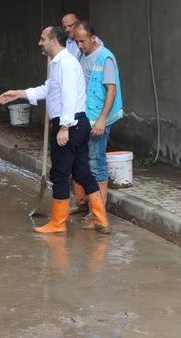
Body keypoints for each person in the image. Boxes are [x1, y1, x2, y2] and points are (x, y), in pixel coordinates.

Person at [0, 26, 110, 233]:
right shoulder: (60, 63)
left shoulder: (65, 64)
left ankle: (58, 223)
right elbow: (48, 89)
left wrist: (64, 127)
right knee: (82, 172)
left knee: (60, 173)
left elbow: (68, 96)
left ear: (54, 41)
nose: (40, 43)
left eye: (43, 39)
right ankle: (101, 219)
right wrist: (19, 93)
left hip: (71, 124)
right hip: (77, 123)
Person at [71, 21, 123, 222]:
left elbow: (111, 90)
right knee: (80, 160)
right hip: (85, 117)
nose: (80, 45)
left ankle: (98, 210)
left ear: (93, 38)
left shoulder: (105, 57)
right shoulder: (80, 56)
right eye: (77, 41)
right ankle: (83, 202)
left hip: (99, 120)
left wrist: (102, 120)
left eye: (83, 41)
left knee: (96, 162)